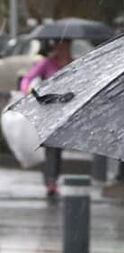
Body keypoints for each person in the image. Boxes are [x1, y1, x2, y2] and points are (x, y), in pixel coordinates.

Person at [20, 38, 72, 199]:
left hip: (67, 109)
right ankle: (51, 181)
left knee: (57, 148)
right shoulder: (47, 63)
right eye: (57, 44)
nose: (59, 48)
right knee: (52, 147)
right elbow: (27, 78)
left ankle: (53, 178)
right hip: (49, 110)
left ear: (68, 46)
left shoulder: (75, 63)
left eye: (63, 45)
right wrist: (27, 90)